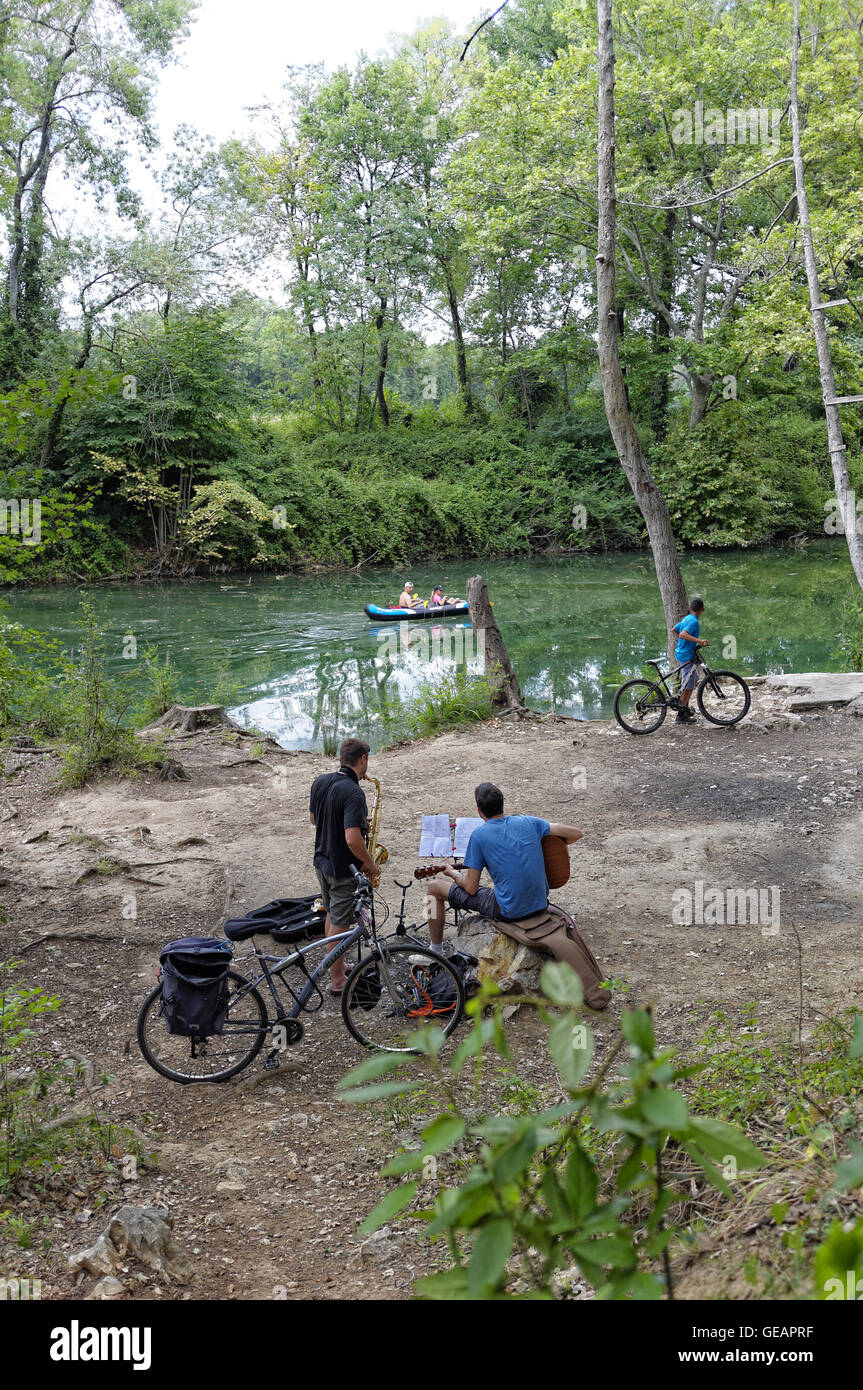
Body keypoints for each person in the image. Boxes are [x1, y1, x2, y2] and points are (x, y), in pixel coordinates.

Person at [421, 782, 584, 951]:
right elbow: (576, 834)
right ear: (502, 804)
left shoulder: (479, 835)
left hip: (509, 912)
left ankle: (435, 950)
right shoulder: (529, 822)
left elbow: (471, 888)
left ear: (479, 811)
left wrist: (453, 874)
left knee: (433, 888)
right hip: (540, 904)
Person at [309, 738, 381, 995]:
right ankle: (337, 981)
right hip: (342, 868)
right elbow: (352, 839)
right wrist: (370, 863)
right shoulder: (353, 792)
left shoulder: (320, 781)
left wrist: (355, 818)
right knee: (341, 923)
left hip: (322, 861)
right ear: (362, 759)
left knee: (332, 913)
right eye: (367, 761)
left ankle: (336, 967)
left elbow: (315, 818)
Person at [672, 595, 708, 723]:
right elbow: (682, 634)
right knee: (688, 685)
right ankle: (681, 716)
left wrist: (683, 643)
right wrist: (699, 641)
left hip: (682, 652)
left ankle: (684, 709)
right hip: (686, 655)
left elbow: (674, 630)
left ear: (689, 608)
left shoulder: (687, 618)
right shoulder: (693, 621)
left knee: (690, 681)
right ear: (703, 610)